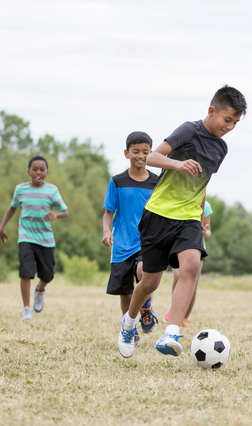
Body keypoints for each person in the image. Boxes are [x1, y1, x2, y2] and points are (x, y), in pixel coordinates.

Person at [117, 85, 247, 358]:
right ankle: (128, 323)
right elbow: (152, 157)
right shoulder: (189, 130)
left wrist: (201, 218)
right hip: (158, 214)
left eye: (235, 123)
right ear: (212, 111)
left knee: (191, 267)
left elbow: (203, 183)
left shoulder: (221, 148)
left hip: (188, 217)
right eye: (227, 120)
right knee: (150, 283)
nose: (230, 127)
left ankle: (172, 331)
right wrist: (178, 163)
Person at [102, 131, 160, 341]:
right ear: (127, 153)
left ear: (151, 153)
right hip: (121, 244)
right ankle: (130, 328)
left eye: (145, 152)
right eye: (135, 151)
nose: (140, 156)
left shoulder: (156, 182)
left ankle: (146, 308)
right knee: (125, 292)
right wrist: (106, 231)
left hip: (146, 242)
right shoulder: (117, 181)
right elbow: (108, 213)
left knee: (144, 271)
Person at [0, 155, 68, 322]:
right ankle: (27, 309)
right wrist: (1, 227)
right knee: (25, 272)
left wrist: (55, 214)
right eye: (35, 169)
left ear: (47, 172)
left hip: (46, 239)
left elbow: (65, 212)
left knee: (48, 275)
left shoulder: (52, 190)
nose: (38, 172)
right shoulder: (21, 190)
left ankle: (39, 290)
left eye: (42, 169)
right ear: (28, 171)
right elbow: (12, 209)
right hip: (26, 237)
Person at [163, 200, 213, 328]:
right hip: (178, 244)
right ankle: (175, 310)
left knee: (193, 283)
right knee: (178, 276)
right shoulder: (181, 200)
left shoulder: (206, 206)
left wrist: (205, 232)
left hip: (197, 246)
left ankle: (185, 317)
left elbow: (208, 232)